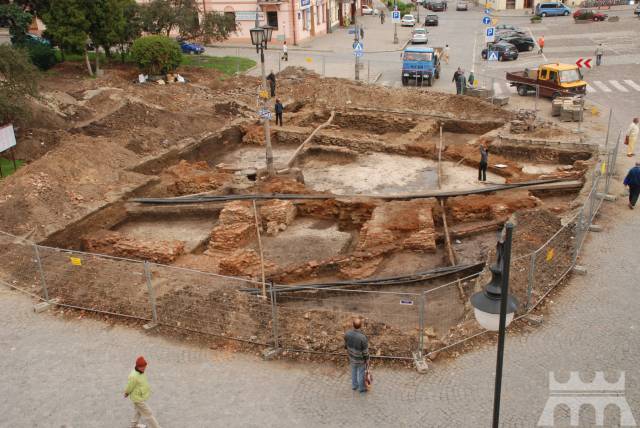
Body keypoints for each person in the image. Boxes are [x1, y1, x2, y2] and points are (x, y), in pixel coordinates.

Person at [124, 356, 162, 428]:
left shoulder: (140, 371)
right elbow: (130, 386)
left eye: (145, 367)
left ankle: (134, 425)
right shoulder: (134, 376)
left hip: (140, 396)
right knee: (148, 413)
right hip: (137, 398)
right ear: (138, 367)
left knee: (138, 411)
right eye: (143, 367)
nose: (144, 368)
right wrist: (126, 393)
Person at [344, 318, 369, 393]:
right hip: (360, 359)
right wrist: (367, 359)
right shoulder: (362, 337)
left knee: (353, 371)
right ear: (361, 326)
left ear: (353, 325)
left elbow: (345, 345)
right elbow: (365, 351)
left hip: (351, 357)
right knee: (361, 373)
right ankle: (361, 388)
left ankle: (354, 386)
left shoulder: (347, 333)